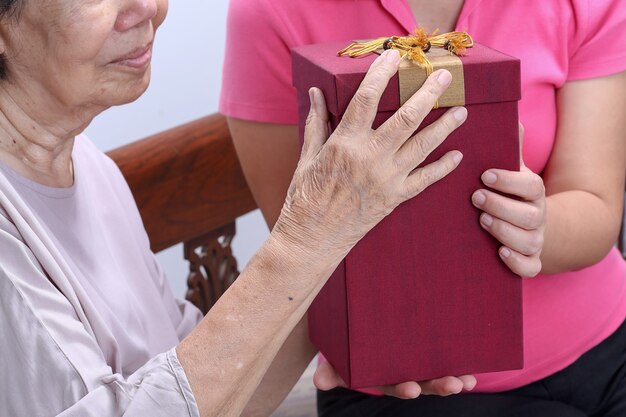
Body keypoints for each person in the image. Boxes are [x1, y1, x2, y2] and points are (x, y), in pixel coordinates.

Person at [0, 0, 482, 416]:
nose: (147, 9)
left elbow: (195, 380)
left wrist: (340, 322)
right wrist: (310, 237)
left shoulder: (86, 161)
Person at [220, 0, 626, 416]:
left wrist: (536, 226)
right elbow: (303, 249)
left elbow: (596, 207)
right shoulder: (269, 11)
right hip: (394, 378)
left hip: (603, 355)